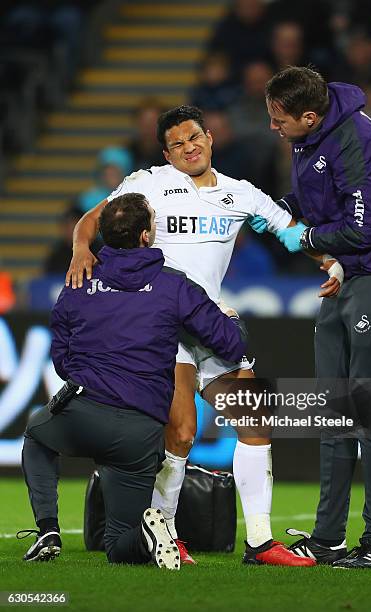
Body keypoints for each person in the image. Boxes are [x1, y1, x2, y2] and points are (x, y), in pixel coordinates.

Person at [66, 105, 342, 567]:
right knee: (182, 431)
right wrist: (80, 250)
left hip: (211, 323)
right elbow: (92, 220)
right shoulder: (148, 183)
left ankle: (260, 542)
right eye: (177, 143)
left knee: (254, 422)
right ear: (166, 152)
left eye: (194, 137)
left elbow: (290, 232)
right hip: (161, 325)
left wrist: (330, 262)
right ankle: (166, 536)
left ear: (210, 137)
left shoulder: (241, 194)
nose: (188, 147)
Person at [18, 192, 248, 568]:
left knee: (37, 435)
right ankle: (148, 533)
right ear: (145, 237)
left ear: (105, 236)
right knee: (119, 547)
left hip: (82, 412)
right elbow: (229, 343)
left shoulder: (81, 277)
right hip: (138, 432)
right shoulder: (174, 285)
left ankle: (47, 529)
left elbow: (60, 350)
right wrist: (234, 319)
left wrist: (82, 378)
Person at [262, 66, 371, 569]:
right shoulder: (314, 135)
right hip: (347, 275)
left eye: (278, 119)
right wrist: (275, 210)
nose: (273, 127)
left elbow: (364, 226)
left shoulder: (355, 139)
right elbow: (320, 200)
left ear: (308, 116)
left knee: (368, 406)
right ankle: (329, 536)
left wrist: (306, 239)